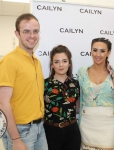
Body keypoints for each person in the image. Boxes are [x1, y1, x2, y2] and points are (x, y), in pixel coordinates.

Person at [0, 13, 48, 150]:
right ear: (17, 33)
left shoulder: (36, 62)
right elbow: (3, 103)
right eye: (26, 31)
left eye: (35, 31)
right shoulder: (9, 61)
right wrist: (16, 139)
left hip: (39, 128)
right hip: (20, 131)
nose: (32, 36)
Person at [77, 37, 114, 150]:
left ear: (108, 53)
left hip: (109, 125)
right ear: (90, 51)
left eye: (102, 51)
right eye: (95, 50)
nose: (98, 54)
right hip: (87, 123)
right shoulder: (82, 72)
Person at [43, 45, 81, 150]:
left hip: (72, 131)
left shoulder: (75, 83)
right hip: (50, 132)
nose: (61, 65)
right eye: (56, 62)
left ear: (69, 63)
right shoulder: (44, 84)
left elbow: (77, 107)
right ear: (52, 64)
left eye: (64, 61)